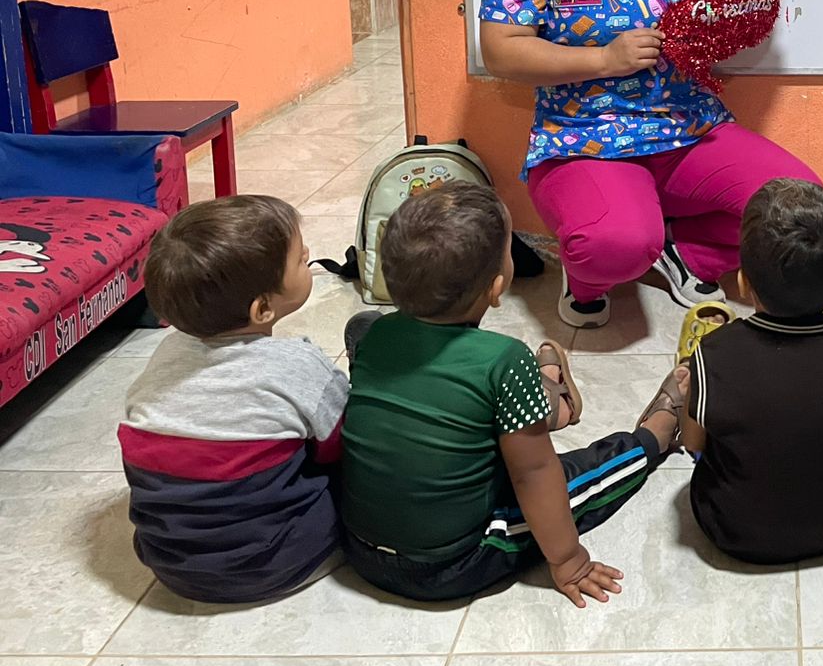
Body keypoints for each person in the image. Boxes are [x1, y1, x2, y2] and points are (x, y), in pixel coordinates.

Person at [478, 0, 820, 328]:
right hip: (585, 137)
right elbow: (501, 50)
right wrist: (603, 59)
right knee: (615, 242)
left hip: (687, 128)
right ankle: (588, 280)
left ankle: (687, 255)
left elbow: (721, 34)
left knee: (799, 209)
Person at [340, 183, 684, 604]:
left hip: (357, 549)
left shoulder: (374, 334)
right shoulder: (504, 358)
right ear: (497, 285)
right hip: (450, 565)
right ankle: (649, 440)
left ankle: (542, 404)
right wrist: (569, 560)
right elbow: (533, 474)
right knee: (574, 478)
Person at [118, 196, 347, 604]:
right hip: (274, 562)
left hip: (170, 564)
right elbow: (340, 448)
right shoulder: (298, 364)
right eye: (300, 259)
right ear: (263, 308)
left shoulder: (167, 354)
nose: (309, 254)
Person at [681, 178, 823, 564]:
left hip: (732, 532)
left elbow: (694, 443)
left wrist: (694, 392)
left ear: (743, 281)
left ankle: (689, 390)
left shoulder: (715, 354)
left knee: (704, 402)